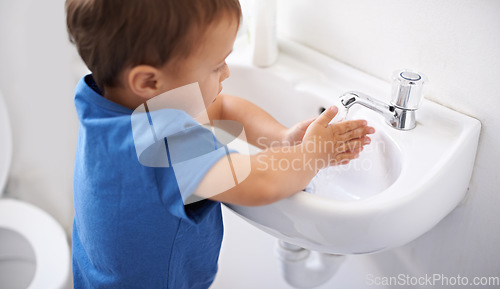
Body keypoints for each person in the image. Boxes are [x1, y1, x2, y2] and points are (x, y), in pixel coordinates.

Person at [66, 0, 375, 288]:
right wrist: (313, 154)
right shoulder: (164, 145)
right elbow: (261, 183)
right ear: (148, 82)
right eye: (216, 65)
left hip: (94, 275)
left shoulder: (104, 103)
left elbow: (223, 108)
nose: (226, 72)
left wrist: (282, 137)